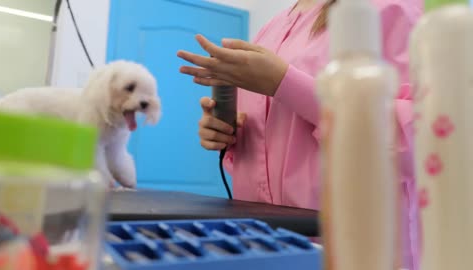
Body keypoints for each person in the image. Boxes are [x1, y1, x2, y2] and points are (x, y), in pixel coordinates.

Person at [177, 0, 422, 269]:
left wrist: (287, 84)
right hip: (261, 246)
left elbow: (422, 139)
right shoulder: (272, 28)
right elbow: (271, 146)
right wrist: (226, 136)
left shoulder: (398, 7)